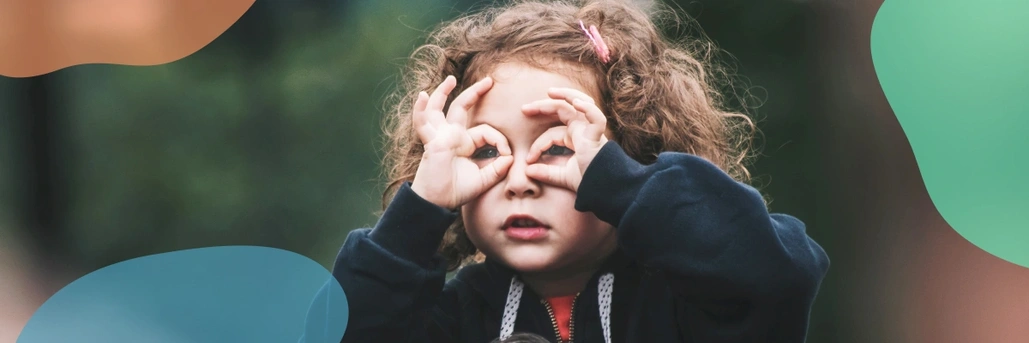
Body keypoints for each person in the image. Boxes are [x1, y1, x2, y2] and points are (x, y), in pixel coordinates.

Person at [326, 0, 830, 342]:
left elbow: (778, 276)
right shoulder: (452, 319)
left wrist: (620, 185)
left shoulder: (687, 306)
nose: (519, 179)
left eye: (558, 148)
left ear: (635, 153)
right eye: (485, 152)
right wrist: (422, 207)